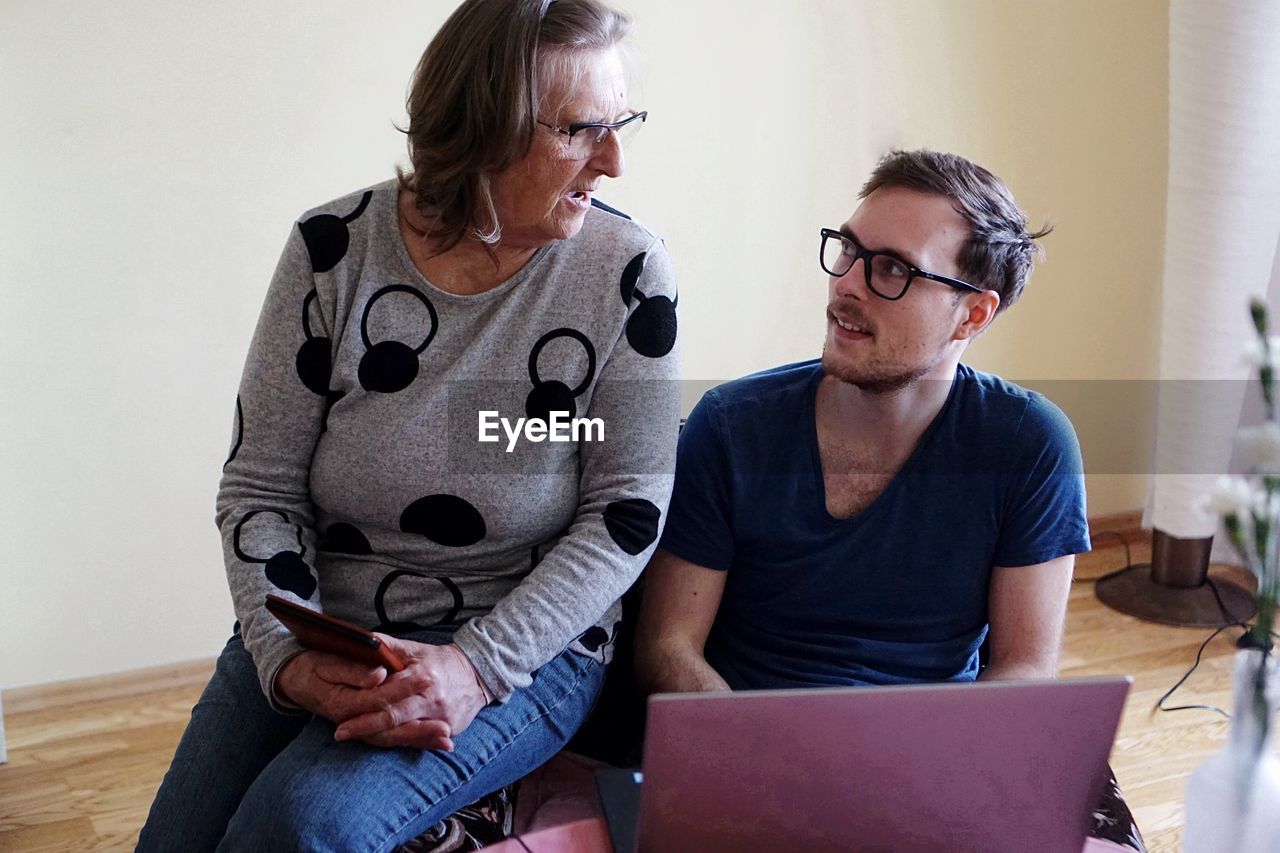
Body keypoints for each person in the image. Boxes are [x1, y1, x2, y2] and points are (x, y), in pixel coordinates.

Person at [138, 0, 680, 849]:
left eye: (623, 125)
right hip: (326, 620)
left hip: (523, 647)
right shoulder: (331, 251)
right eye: (581, 130)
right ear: (484, 131)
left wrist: (473, 667)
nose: (612, 160)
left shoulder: (627, 272)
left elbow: (628, 508)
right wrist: (288, 655)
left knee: (299, 822)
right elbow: (259, 484)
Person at [636, 149, 1086, 697]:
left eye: (893, 268)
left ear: (972, 315)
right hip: (744, 736)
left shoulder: (1029, 445)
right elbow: (667, 648)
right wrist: (751, 747)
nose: (848, 282)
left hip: (923, 748)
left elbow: (1026, 669)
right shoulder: (732, 426)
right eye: (849, 248)